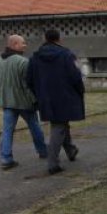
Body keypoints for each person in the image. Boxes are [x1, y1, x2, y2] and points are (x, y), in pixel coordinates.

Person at [26, 29, 85, 175]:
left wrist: (39, 94)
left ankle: (70, 150)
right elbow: (75, 76)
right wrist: (80, 90)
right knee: (58, 126)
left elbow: (29, 80)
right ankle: (52, 163)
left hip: (46, 98)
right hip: (65, 96)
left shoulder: (35, 58)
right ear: (59, 39)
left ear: (45, 39)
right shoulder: (66, 55)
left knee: (61, 123)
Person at [0, 34, 47, 170]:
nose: (25, 45)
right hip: (23, 102)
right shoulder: (23, 62)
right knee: (34, 126)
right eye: (23, 43)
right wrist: (35, 100)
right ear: (14, 45)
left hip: (6, 101)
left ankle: (6, 158)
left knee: (7, 131)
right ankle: (43, 151)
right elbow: (30, 83)